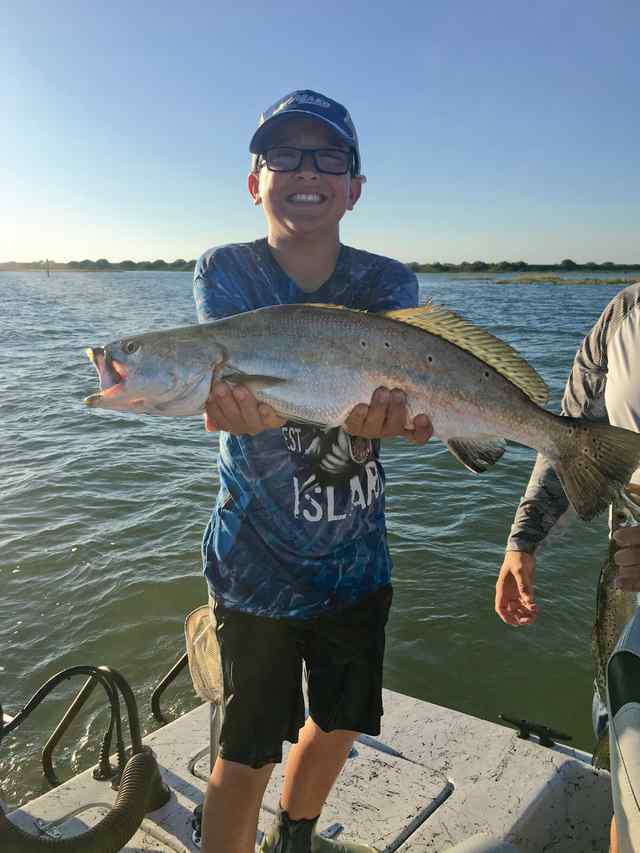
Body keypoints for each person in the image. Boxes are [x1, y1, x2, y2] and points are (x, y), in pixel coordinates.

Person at [192, 90, 433, 853]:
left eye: (328, 156)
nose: (306, 170)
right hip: (254, 565)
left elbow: (410, 406)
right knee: (246, 749)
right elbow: (238, 386)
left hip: (357, 561)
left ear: (354, 188)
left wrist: (405, 421)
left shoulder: (388, 283)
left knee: (341, 719)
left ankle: (293, 833)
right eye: (284, 154)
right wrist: (234, 404)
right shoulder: (225, 271)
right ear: (254, 181)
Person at [494, 281, 640, 853]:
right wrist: (523, 541)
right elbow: (573, 437)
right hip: (626, 603)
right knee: (627, 788)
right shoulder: (624, 315)